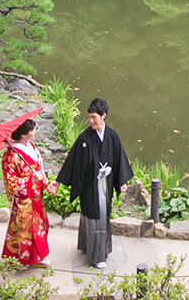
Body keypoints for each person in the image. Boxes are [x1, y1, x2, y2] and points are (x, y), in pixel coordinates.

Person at [52, 97, 133, 269]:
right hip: (89, 185)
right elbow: (72, 161)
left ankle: (93, 247)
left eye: (94, 117)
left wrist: (121, 181)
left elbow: (119, 160)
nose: (90, 121)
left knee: (103, 216)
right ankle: (96, 256)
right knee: (94, 216)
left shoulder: (112, 136)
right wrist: (59, 181)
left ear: (103, 116)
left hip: (106, 183)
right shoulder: (84, 138)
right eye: (89, 117)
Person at [1, 118, 52, 267]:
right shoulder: (10, 155)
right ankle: (22, 260)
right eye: (32, 130)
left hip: (36, 195)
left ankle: (38, 256)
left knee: (41, 226)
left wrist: (46, 185)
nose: (34, 132)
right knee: (24, 230)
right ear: (24, 134)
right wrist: (30, 179)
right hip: (23, 199)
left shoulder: (32, 147)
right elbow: (11, 183)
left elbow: (39, 170)